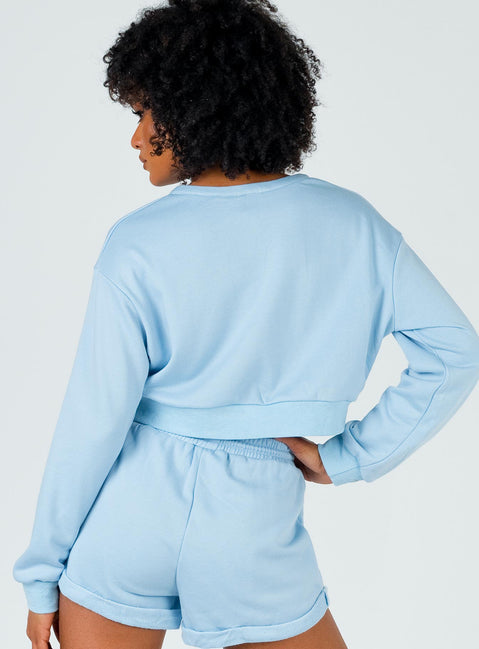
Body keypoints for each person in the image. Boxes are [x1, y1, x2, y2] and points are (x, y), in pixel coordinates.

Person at [13, 1, 479, 648]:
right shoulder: (353, 225)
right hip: (253, 524)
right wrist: (349, 457)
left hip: (125, 521)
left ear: (196, 108)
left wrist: (41, 575)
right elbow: (454, 353)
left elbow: (91, 423)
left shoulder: (136, 240)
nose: (135, 138)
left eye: (145, 112)